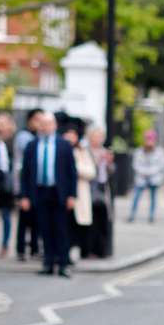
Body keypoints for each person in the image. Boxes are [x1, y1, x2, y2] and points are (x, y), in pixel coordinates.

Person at [20, 111, 77, 278]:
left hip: (59, 192)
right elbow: (26, 173)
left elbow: (71, 172)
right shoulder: (32, 145)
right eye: (42, 124)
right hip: (39, 191)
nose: (45, 127)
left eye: (48, 124)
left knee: (61, 229)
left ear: (54, 126)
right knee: (45, 230)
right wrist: (24, 196)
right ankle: (48, 263)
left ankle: (63, 264)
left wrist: (72, 195)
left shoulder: (64, 145)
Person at [0, 112, 18, 260]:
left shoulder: (13, 140)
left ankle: (5, 245)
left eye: (4, 122)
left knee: (6, 215)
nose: (1, 125)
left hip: (7, 183)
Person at [14, 109, 42, 261]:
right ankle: (21, 250)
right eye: (38, 119)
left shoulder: (39, 138)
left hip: (37, 184)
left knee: (37, 218)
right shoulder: (24, 137)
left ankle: (34, 248)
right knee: (24, 219)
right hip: (24, 183)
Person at [64, 128, 96, 260]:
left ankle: (75, 251)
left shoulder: (82, 151)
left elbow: (91, 172)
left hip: (79, 195)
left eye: (73, 135)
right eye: (68, 135)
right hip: (63, 194)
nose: (70, 138)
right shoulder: (61, 150)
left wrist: (75, 167)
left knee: (78, 224)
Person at [84, 125, 114, 259]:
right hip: (89, 190)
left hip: (102, 190)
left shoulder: (105, 152)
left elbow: (111, 171)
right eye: (95, 136)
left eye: (100, 137)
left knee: (103, 221)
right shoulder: (85, 151)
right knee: (90, 222)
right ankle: (88, 250)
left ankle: (102, 250)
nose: (98, 139)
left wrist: (109, 163)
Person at [128, 129, 164, 223]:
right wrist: (144, 172)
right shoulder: (139, 152)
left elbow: (161, 165)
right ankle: (132, 215)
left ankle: (151, 216)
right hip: (141, 177)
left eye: (151, 140)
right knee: (136, 197)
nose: (149, 142)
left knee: (153, 198)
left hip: (154, 178)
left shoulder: (160, 152)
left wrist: (150, 172)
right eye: (147, 140)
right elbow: (136, 165)